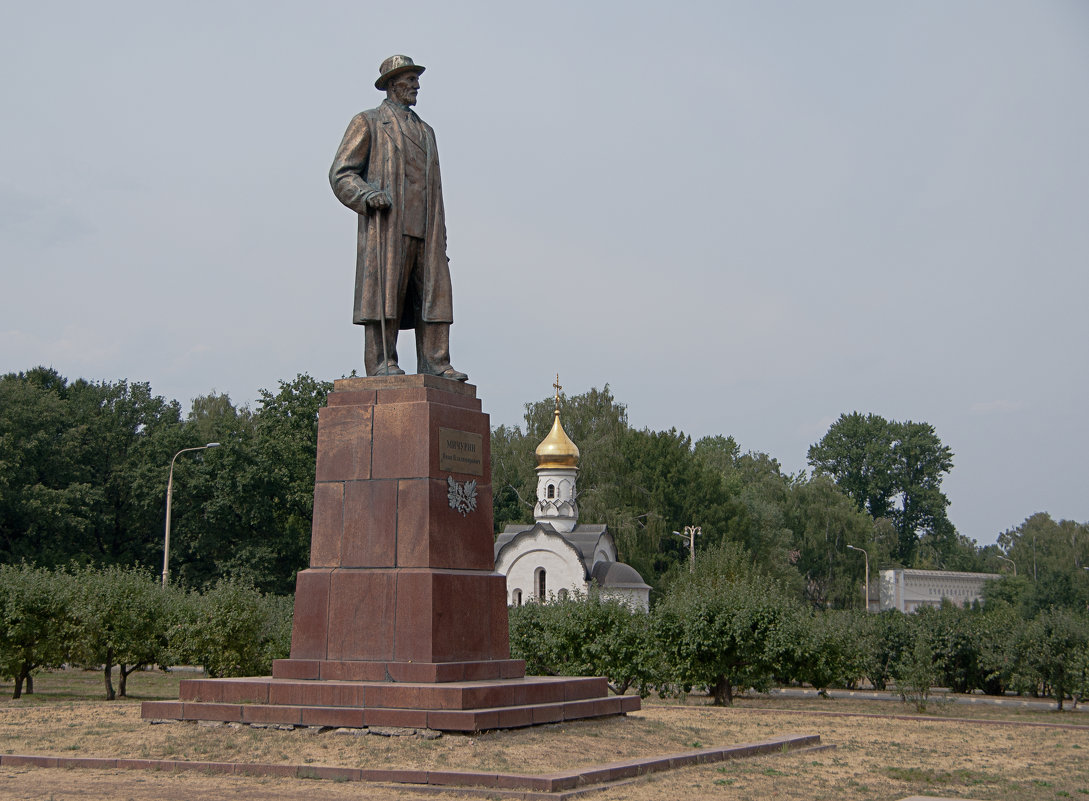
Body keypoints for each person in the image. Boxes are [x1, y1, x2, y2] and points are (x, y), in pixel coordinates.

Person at [329, 55, 467, 381]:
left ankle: (436, 362)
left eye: (417, 79)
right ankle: (382, 362)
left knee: (435, 299)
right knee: (384, 298)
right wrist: (365, 194)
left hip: (426, 230)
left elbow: (435, 189)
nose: (417, 85)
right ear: (393, 84)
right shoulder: (369, 122)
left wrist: (441, 240)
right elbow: (341, 173)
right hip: (389, 229)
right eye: (410, 79)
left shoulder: (427, 132)